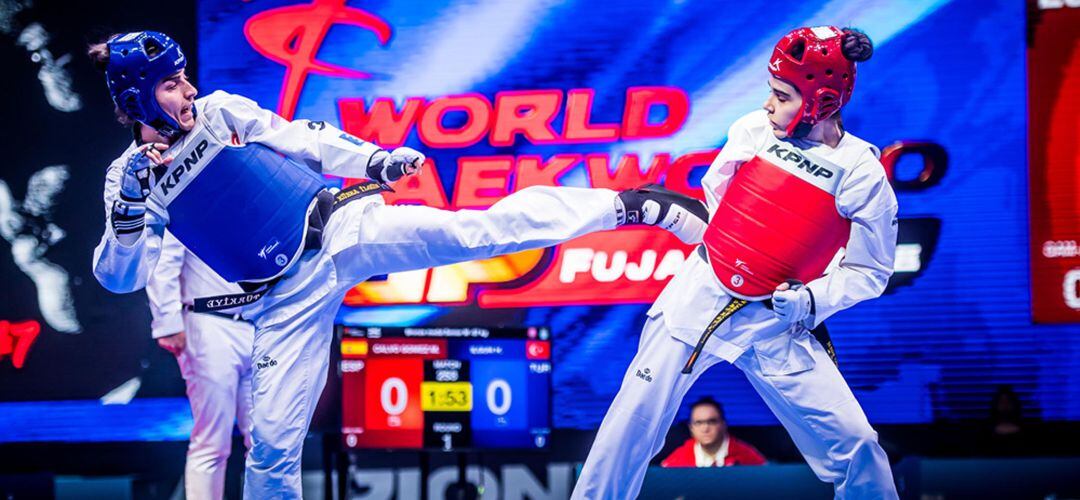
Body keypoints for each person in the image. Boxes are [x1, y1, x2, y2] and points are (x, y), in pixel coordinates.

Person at [87, 31, 708, 498]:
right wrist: (129, 214)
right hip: (282, 302)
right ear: (137, 97)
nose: (188, 90)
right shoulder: (130, 179)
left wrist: (374, 161)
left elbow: (302, 137)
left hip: (341, 231)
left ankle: (628, 205)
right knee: (272, 448)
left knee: (476, 230)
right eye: (170, 85)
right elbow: (120, 276)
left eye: (183, 76)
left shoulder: (221, 112)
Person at [573, 26, 900, 499]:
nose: (769, 103)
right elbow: (714, 206)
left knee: (857, 447)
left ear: (821, 101)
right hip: (697, 301)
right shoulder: (752, 130)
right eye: (771, 90)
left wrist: (812, 301)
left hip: (776, 323)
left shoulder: (861, 172)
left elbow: (870, 271)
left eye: (782, 95)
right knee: (626, 430)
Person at [147, 230, 254, 500]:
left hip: (261, 320)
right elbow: (163, 258)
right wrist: (168, 321)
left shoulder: (260, 191)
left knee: (269, 441)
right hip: (208, 319)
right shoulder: (190, 192)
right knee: (212, 442)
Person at [660, 397, 766, 468]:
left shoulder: (747, 455)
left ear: (723, 424)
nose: (705, 428)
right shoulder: (677, 459)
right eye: (699, 423)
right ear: (691, 428)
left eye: (711, 421)